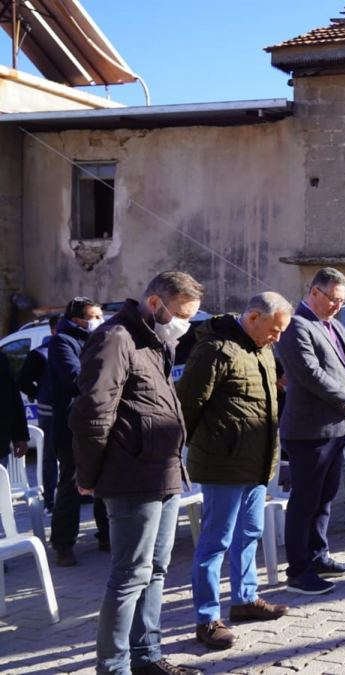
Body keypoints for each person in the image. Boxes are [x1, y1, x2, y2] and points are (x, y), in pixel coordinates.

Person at [69, 271, 204, 675]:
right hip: (131, 477)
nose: (184, 324)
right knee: (130, 575)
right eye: (181, 314)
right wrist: (88, 475)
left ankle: (147, 656)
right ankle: (113, 666)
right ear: (155, 303)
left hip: (164, 472)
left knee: (156, 571)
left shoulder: (155, 340)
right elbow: (93, 415)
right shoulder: (115, 339)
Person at [177, 293, 292, 651]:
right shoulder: (214, 350)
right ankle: (207, 618)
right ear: (253, 317)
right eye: (274, 330)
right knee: (215, 542)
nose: (277, 338)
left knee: (250, 532)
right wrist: (184, 451)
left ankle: (244, 599)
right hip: (222, 464)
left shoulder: (262, 348)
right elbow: (187, 406)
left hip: (257, 461)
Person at [276, 267, 345, 595]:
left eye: (342, 301)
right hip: (308, 429)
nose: (337, 306)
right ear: (314, 292)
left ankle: (318, 556)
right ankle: (298, 570)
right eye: (333, 299)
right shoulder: (296, 326)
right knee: (305, 501)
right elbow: (310, 374)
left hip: (336, 426)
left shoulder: (336, 326)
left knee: (325, 498)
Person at [48, 298, 108, 567]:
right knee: (72, 483)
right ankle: (63, 544)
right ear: (76, 320)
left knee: (104, 480)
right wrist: (105, 375)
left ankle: (106, 535)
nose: (99, 321)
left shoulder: (100, 339)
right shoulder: (62, 342)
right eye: (93, 316)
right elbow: (75, 378)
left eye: (100, 315)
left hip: (101, 420)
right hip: (72, 426)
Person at [17, 315, 57, 510]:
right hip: (49, 413)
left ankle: (76, 494)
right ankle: (50, 499)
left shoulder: (78, 348)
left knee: (74, 455)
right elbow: (23, 381)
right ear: (53, 330)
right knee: (50, 455)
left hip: (72, 411)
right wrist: (39, 394)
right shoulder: (40, 354)